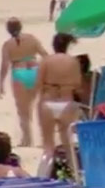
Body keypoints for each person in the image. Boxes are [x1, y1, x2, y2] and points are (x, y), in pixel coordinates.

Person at [0, 18, 48, 147]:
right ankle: (44, 139)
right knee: (39, 106)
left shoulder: (7, 44)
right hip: (35, 70)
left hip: (19, 72)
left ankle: (27, 139)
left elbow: (5, 65)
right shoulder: (31, 38)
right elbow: (44, 54)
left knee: (23, 110)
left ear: (8, 30)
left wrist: (0, 83)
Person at [36, 33, 82, 163]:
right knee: (68, 145)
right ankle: (73, 176)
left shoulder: (46, 61)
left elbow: (38, 83)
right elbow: (77, 84)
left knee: (48, 145)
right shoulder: (73, 62)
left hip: (48, 101)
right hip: (66, 102)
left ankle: (46, 178)